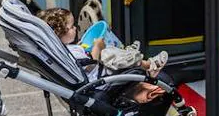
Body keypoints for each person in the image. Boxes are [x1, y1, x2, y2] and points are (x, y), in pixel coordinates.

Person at [39, 8, 168, 103]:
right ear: (60, 32)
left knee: (111, 53)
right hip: (100, 80)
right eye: (72, 26)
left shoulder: (63, 51)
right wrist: (98, 46)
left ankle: (130, 54)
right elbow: (92, 62)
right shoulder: (71, 52)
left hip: (95, 77)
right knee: (109, 54)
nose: (75, 28)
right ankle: (150, 66)